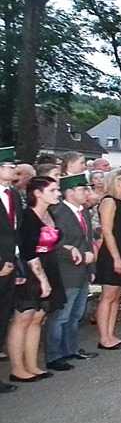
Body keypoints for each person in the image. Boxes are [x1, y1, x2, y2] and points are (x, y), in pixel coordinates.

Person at [8, 176, 65, 382]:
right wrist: (42, 280)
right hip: (31, 270)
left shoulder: (50, 213)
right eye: (53, 190)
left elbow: (55, 241)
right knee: (23, 317)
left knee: (38, 318)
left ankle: (32, 364)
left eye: (57, 189)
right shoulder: (28, 217)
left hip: (49, 265)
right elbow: (28, 251)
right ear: (38, 193)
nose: (58, 193)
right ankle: (17, 368)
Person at [45, 173, 97, 370]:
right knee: (61, 315)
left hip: (82, 271)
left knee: (76, 314)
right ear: (70, 192)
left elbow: (88, 241)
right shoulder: (58, 212)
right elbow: (56, 243)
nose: (87, 193)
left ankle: (70, 349)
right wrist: (81, 257)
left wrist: (91, 267)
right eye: (83, 189)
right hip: (66, 270)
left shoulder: (82, 212)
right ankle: (54, 355)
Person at [94, 167, 121, 346]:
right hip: (113, 252)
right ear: (118, 181)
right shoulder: (109, 201)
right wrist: (116, 258)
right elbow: (107, 231)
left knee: (117, 295)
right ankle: (104, 337)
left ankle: (111, 334)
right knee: (108, 295)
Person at [0, 147, 21, 393]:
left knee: (3, 317)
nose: (12, 169)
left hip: (12, 263)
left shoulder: (13, 195)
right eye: (7, 166)